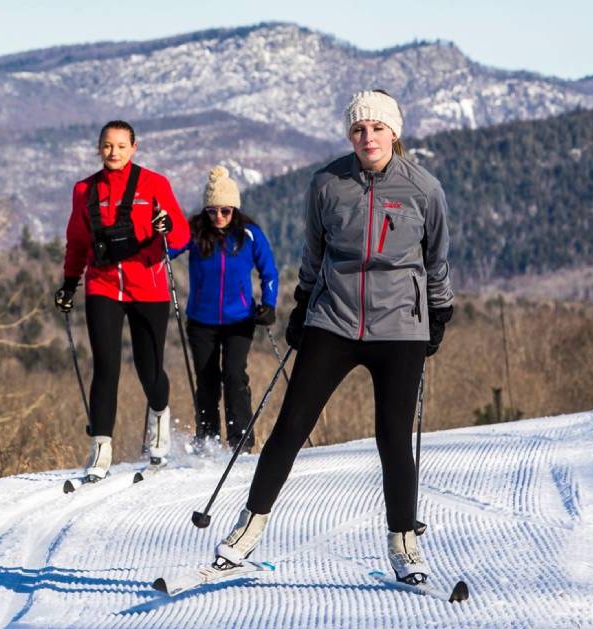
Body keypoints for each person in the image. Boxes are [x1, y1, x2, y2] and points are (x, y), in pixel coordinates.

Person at [212, 90, 454, 586]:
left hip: (400, 327)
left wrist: (440, 311)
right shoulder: (327, 183)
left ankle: (404, 542)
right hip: (334, 318)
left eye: (377, 128)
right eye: (359, 129)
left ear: (394, 133)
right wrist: (301, 305)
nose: (368, 137)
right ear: (350, 135)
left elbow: (436, 260)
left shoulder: (423, 190)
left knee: (393, 437)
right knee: (291, 426)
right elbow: (313, 253)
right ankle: (246, 531)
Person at [53, 120, 191, 482]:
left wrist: (166, 230)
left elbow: (181, 232)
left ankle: (159, 415)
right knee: (106, 367)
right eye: (106, 146)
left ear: (133, 147)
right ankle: (101, 449)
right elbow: (78, 242)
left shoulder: (154, 184)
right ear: (99, 148)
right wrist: (70, 283)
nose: (113, 152)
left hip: (148, 285)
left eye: (120, 145)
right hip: (102, 285)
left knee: (149, 367)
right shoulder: (84, 190)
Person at [169, 165, 278, 453]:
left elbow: (269, 272)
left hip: (239, 320)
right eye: (212, 211)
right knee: (206, 381)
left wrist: (269, 305)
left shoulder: (250, 234)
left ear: (235, 209)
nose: (218, 217)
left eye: (225, 211)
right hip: (201, 321)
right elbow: (166, 252)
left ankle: (240, 440)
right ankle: (207, 440)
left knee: (234, 376)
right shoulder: (194, 232)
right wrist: (162, 231)